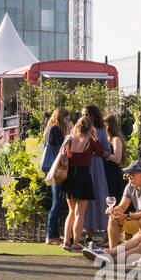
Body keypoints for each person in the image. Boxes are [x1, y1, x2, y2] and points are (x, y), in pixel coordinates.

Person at [50, 114, 105, 252]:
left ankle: (66, 241)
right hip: (83, 177)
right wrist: (95, 137)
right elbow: (101, 151)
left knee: (71, 211)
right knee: (80, 213)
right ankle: (75, 243)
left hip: (70, 177)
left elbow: (64, 154)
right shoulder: (90, 141)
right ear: (89, 128)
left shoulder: (69, 140)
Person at [102, 160, 141, 251]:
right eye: (128, 173)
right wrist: (114, 211)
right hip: (139, 219)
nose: (128, 175)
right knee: (113, 218)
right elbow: (122, 207)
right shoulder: (130, 186)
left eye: (131, 173)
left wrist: (126, 216)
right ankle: (112, 251)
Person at [80, 105, 112, 244]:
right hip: (83, 166)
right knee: (84, 199)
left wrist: (94, 152)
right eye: (82, 114)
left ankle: (104, 234)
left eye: (86, 114)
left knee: (97, 197)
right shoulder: (79, 130)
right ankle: (87, 234)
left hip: (96, 167)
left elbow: (107, 152)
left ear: (93, 115)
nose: (84, 117)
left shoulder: (100, 131)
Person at [40, 108, 72, 245]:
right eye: (66, 119)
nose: (68, 121)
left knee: (58, 202)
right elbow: (65, 145)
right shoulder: (54, 130)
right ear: (60, 118)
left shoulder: (52, 129)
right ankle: (51, 236)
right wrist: (70, 131)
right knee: (57, 203)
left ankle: (53, 235)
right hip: (56, 169)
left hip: (54, 169)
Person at [104, 113, 127, 202]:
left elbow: (117, 159)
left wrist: (106, 154)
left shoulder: (116, 139)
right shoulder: (105, 139)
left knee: (113, 199)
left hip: (112, 174)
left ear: (108, 125)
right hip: (105, 173)